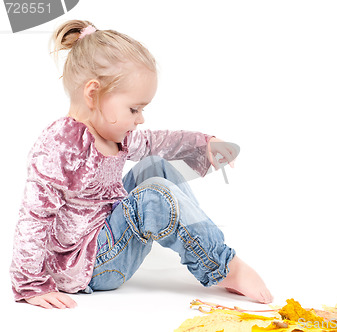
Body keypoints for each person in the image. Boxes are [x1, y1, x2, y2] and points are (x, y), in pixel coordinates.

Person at [9, 20, 273, 309]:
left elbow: (156, 141)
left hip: (106, 231)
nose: (140, 118)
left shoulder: (113, 135)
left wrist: (203, 143)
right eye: (134, 109)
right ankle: (223, 267)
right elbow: (34, 217)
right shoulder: (60, 145)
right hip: (90, 264)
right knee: (154, 196)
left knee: (155, 167)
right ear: (93, 94)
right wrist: (30, 284)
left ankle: (208, 248)